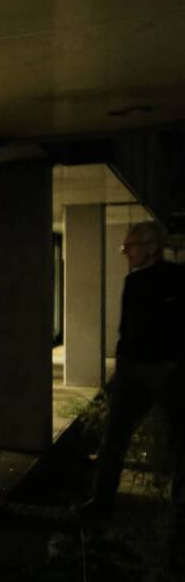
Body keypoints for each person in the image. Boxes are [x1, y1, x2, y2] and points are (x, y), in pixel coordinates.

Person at [81, 221, 185, 528]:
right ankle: (100, 503)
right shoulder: (134, 281)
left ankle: (177, 513)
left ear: (152, 247)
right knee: (114, 437)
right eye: (124, 246)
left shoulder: (176, 279)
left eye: (131, 246)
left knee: (178, 440)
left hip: (163, 370)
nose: (125, 252)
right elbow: (126, 328)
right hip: (136, 368)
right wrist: (124, 359)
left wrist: (174, 362)